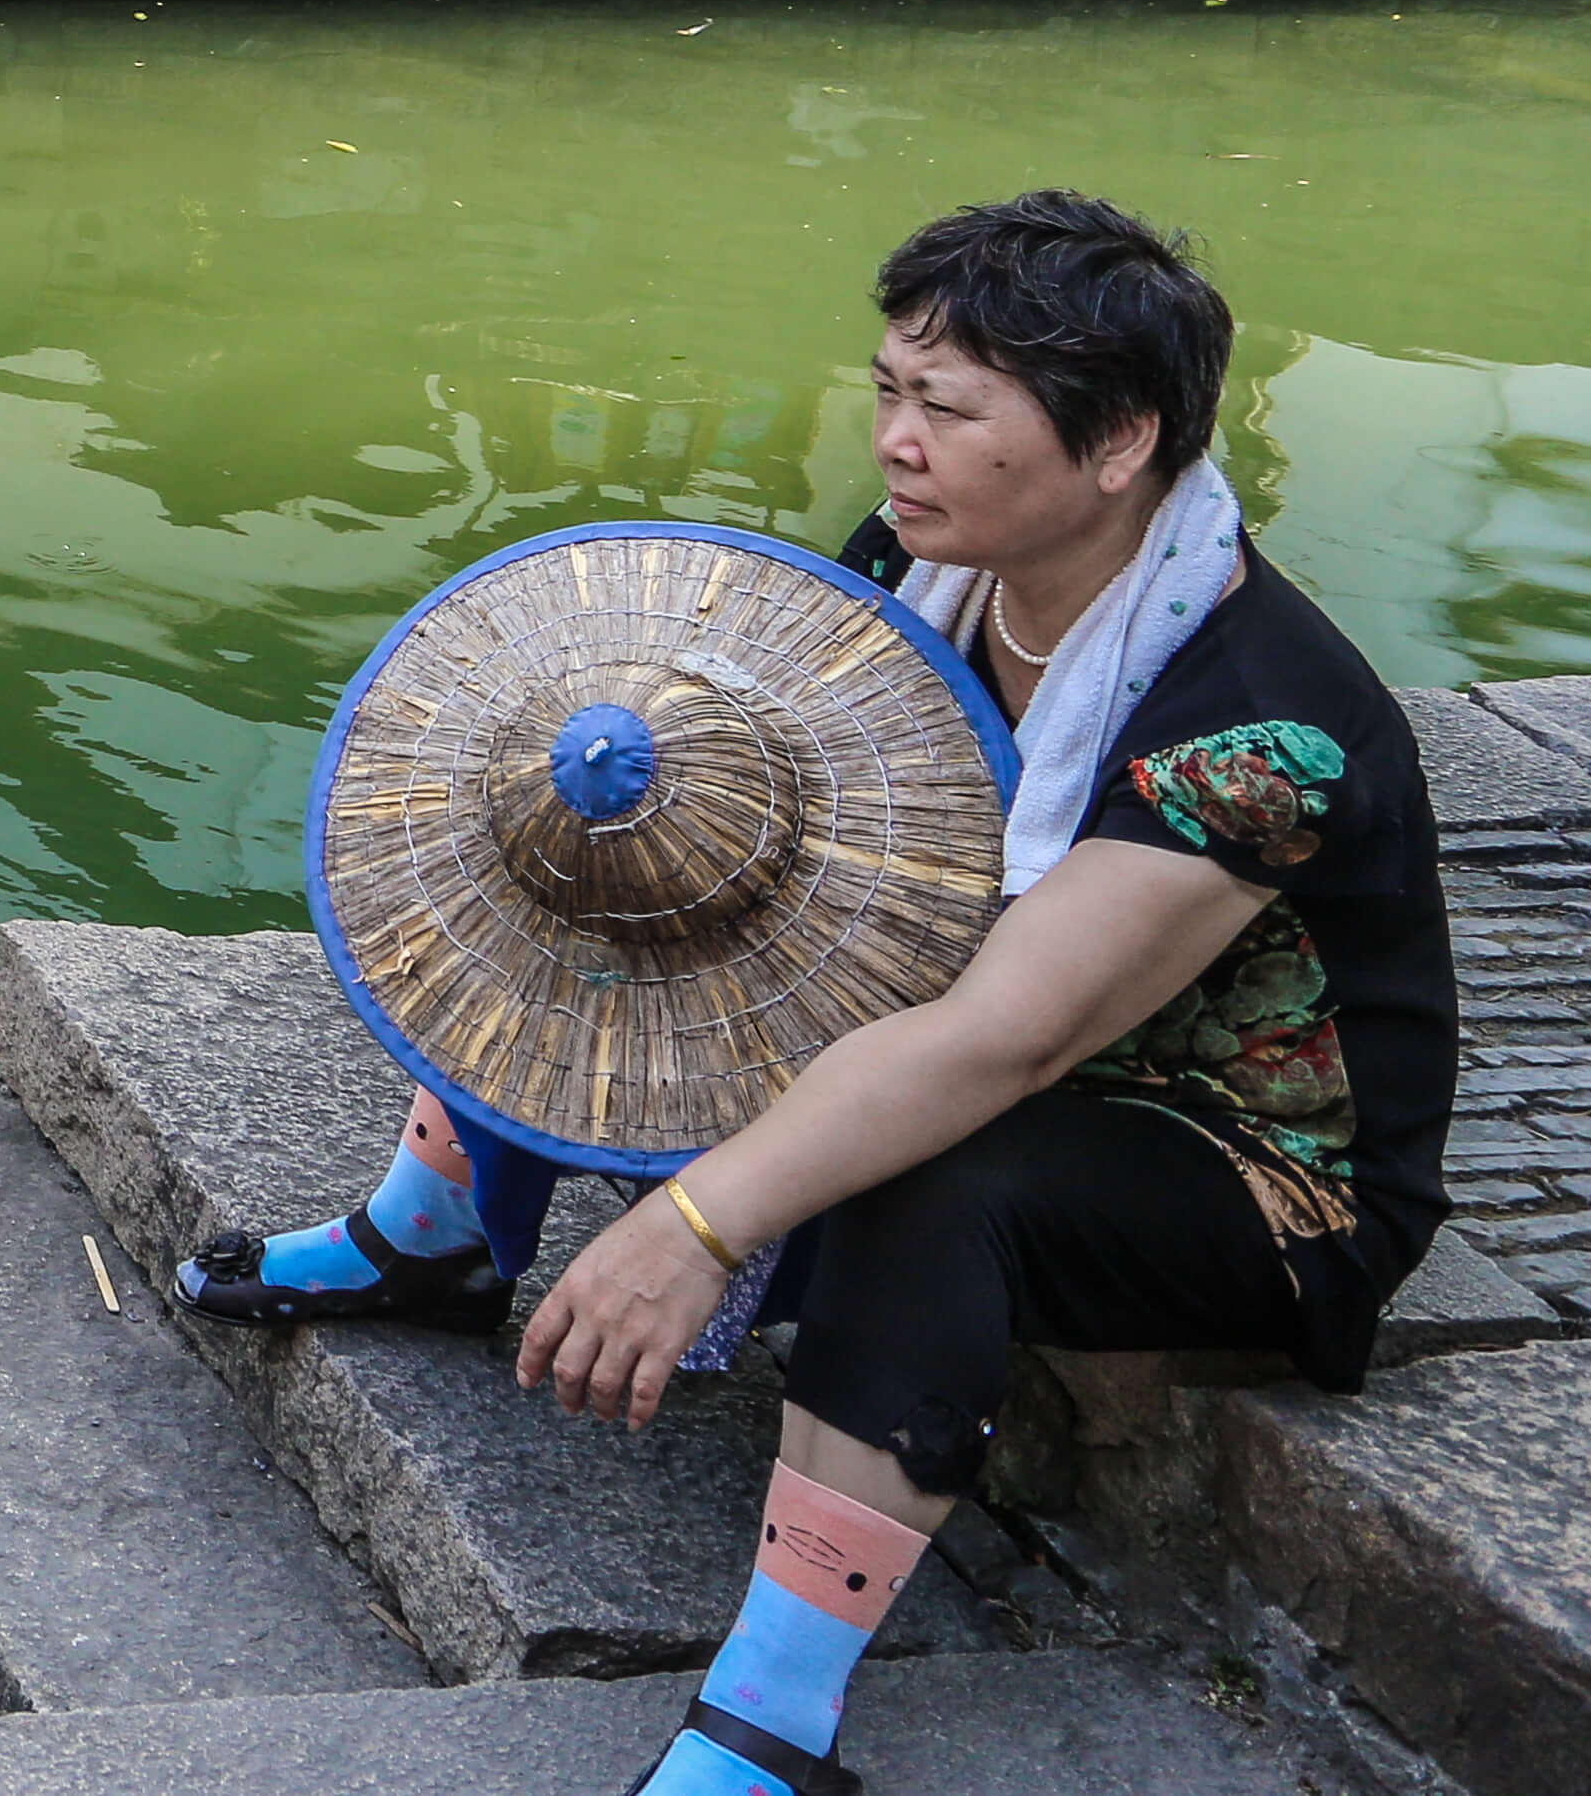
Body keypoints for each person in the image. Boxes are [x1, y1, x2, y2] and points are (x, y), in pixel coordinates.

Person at [177, 193, 1456, 1796]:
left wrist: (691, 1221)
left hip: (1238, 1156)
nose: (894, 444)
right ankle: (426, 1236)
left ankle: (772, 1716)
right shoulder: (922, 570)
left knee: (936, 1180)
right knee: (626, 831)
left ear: (1120, 441)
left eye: (946, 409)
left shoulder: (1256, 732)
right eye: (886, 393)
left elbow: (1008, 1038)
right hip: (988, 1019)